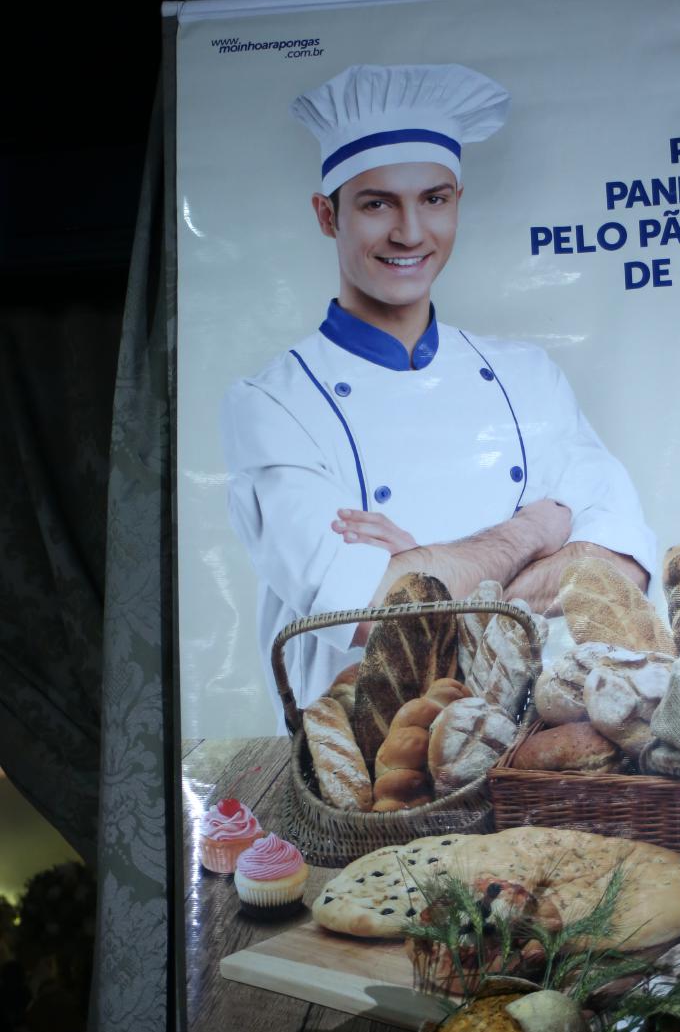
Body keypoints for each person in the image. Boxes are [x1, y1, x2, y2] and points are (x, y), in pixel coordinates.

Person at [222, 64, 656, 724]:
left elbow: (619, 573)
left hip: (534, 744)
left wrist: (420, 568)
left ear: (457, 201)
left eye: (433, 199)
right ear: (327, 215)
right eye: (377, 204)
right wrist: (535, 530)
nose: (410, 232)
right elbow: (365, 615)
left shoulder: (529, 376)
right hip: (369, 764)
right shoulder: (272, 405)